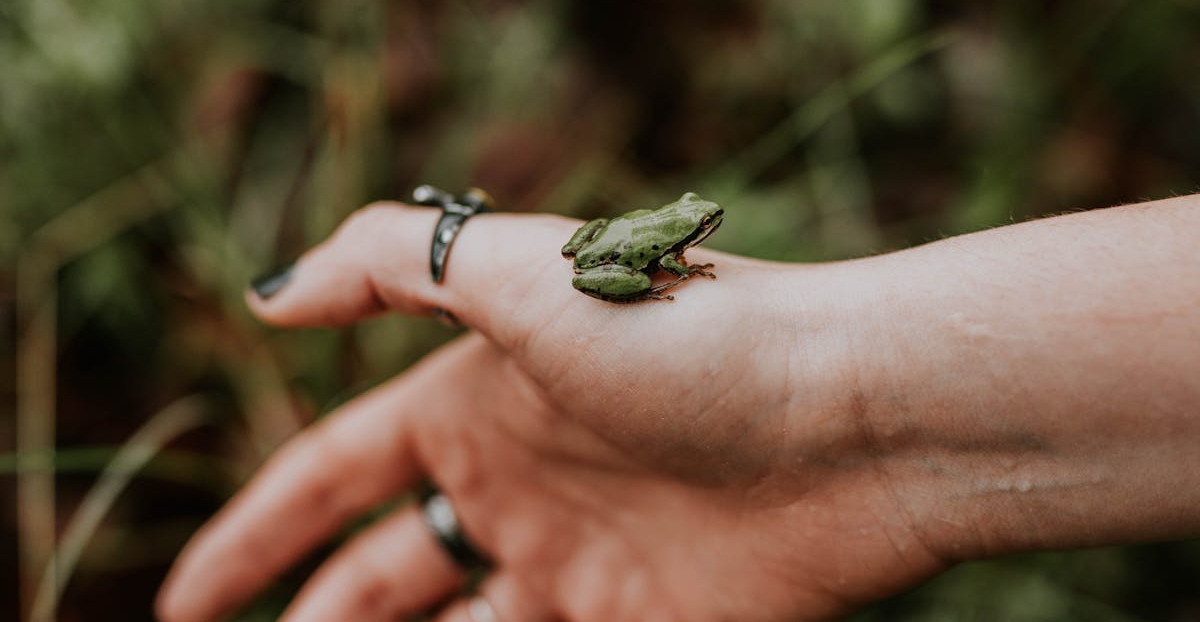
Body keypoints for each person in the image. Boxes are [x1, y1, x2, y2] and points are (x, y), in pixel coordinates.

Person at [155, 193, 1200, 622]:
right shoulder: (661, 244)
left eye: (692, 227)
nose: (701, 226)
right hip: (610, 269)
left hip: (614, 260)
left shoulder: (677, 233)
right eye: (693, 225)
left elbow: (621, 248)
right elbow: (599, 263)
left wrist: (833, 404)